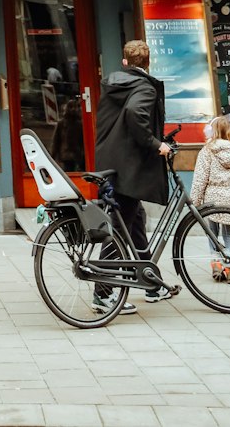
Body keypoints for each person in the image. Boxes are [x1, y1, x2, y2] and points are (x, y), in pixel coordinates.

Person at [93, 38, 177, 313]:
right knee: (119, 229)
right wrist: (157, 144)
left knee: (135, 222)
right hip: (128, 168)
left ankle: (150, 284)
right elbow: (134, 114)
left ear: (125, 62)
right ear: (147, 62)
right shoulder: (144, 87)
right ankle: (103, 293)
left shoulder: (115, 83)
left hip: (112, 163)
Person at [190, 113, 230, 284]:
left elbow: (200, 179)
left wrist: (195, 203)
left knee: (212, 233)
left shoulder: (207, 151)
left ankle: (216, 264)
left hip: (213, 200)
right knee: (228, 235)